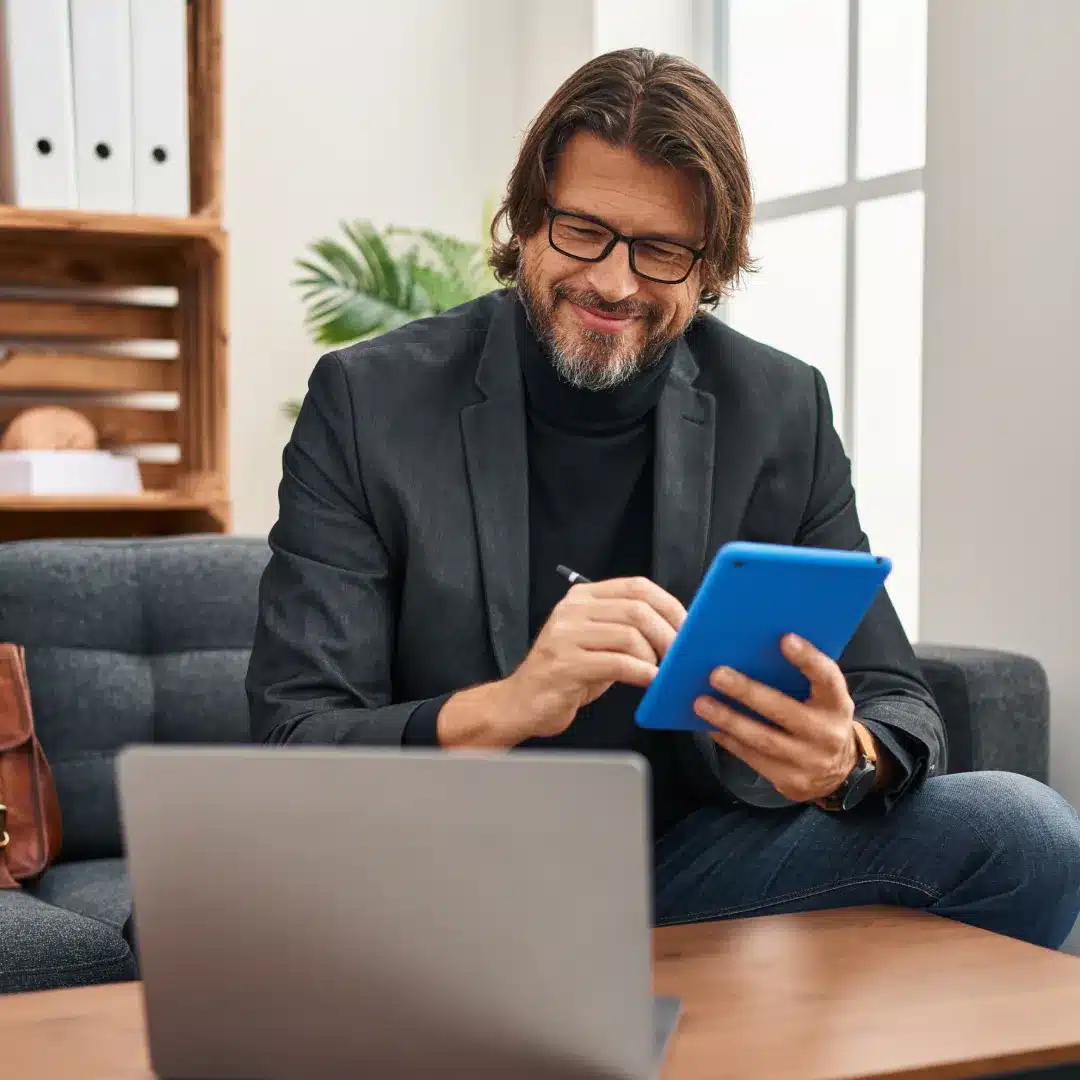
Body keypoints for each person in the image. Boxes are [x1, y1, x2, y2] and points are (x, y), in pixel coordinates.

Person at [247, 48, 1080, 949]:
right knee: (223, 920)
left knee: (1023, 832)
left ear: (708, 265)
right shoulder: (371, 402)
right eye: (582, 231)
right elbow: (296, 736)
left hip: (693, 862)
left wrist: (843, 759)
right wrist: (511, 702)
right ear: (526, 220)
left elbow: (896, 701)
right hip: (445, 864)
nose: (612, 281)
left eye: (660, 251)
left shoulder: (780, 407)